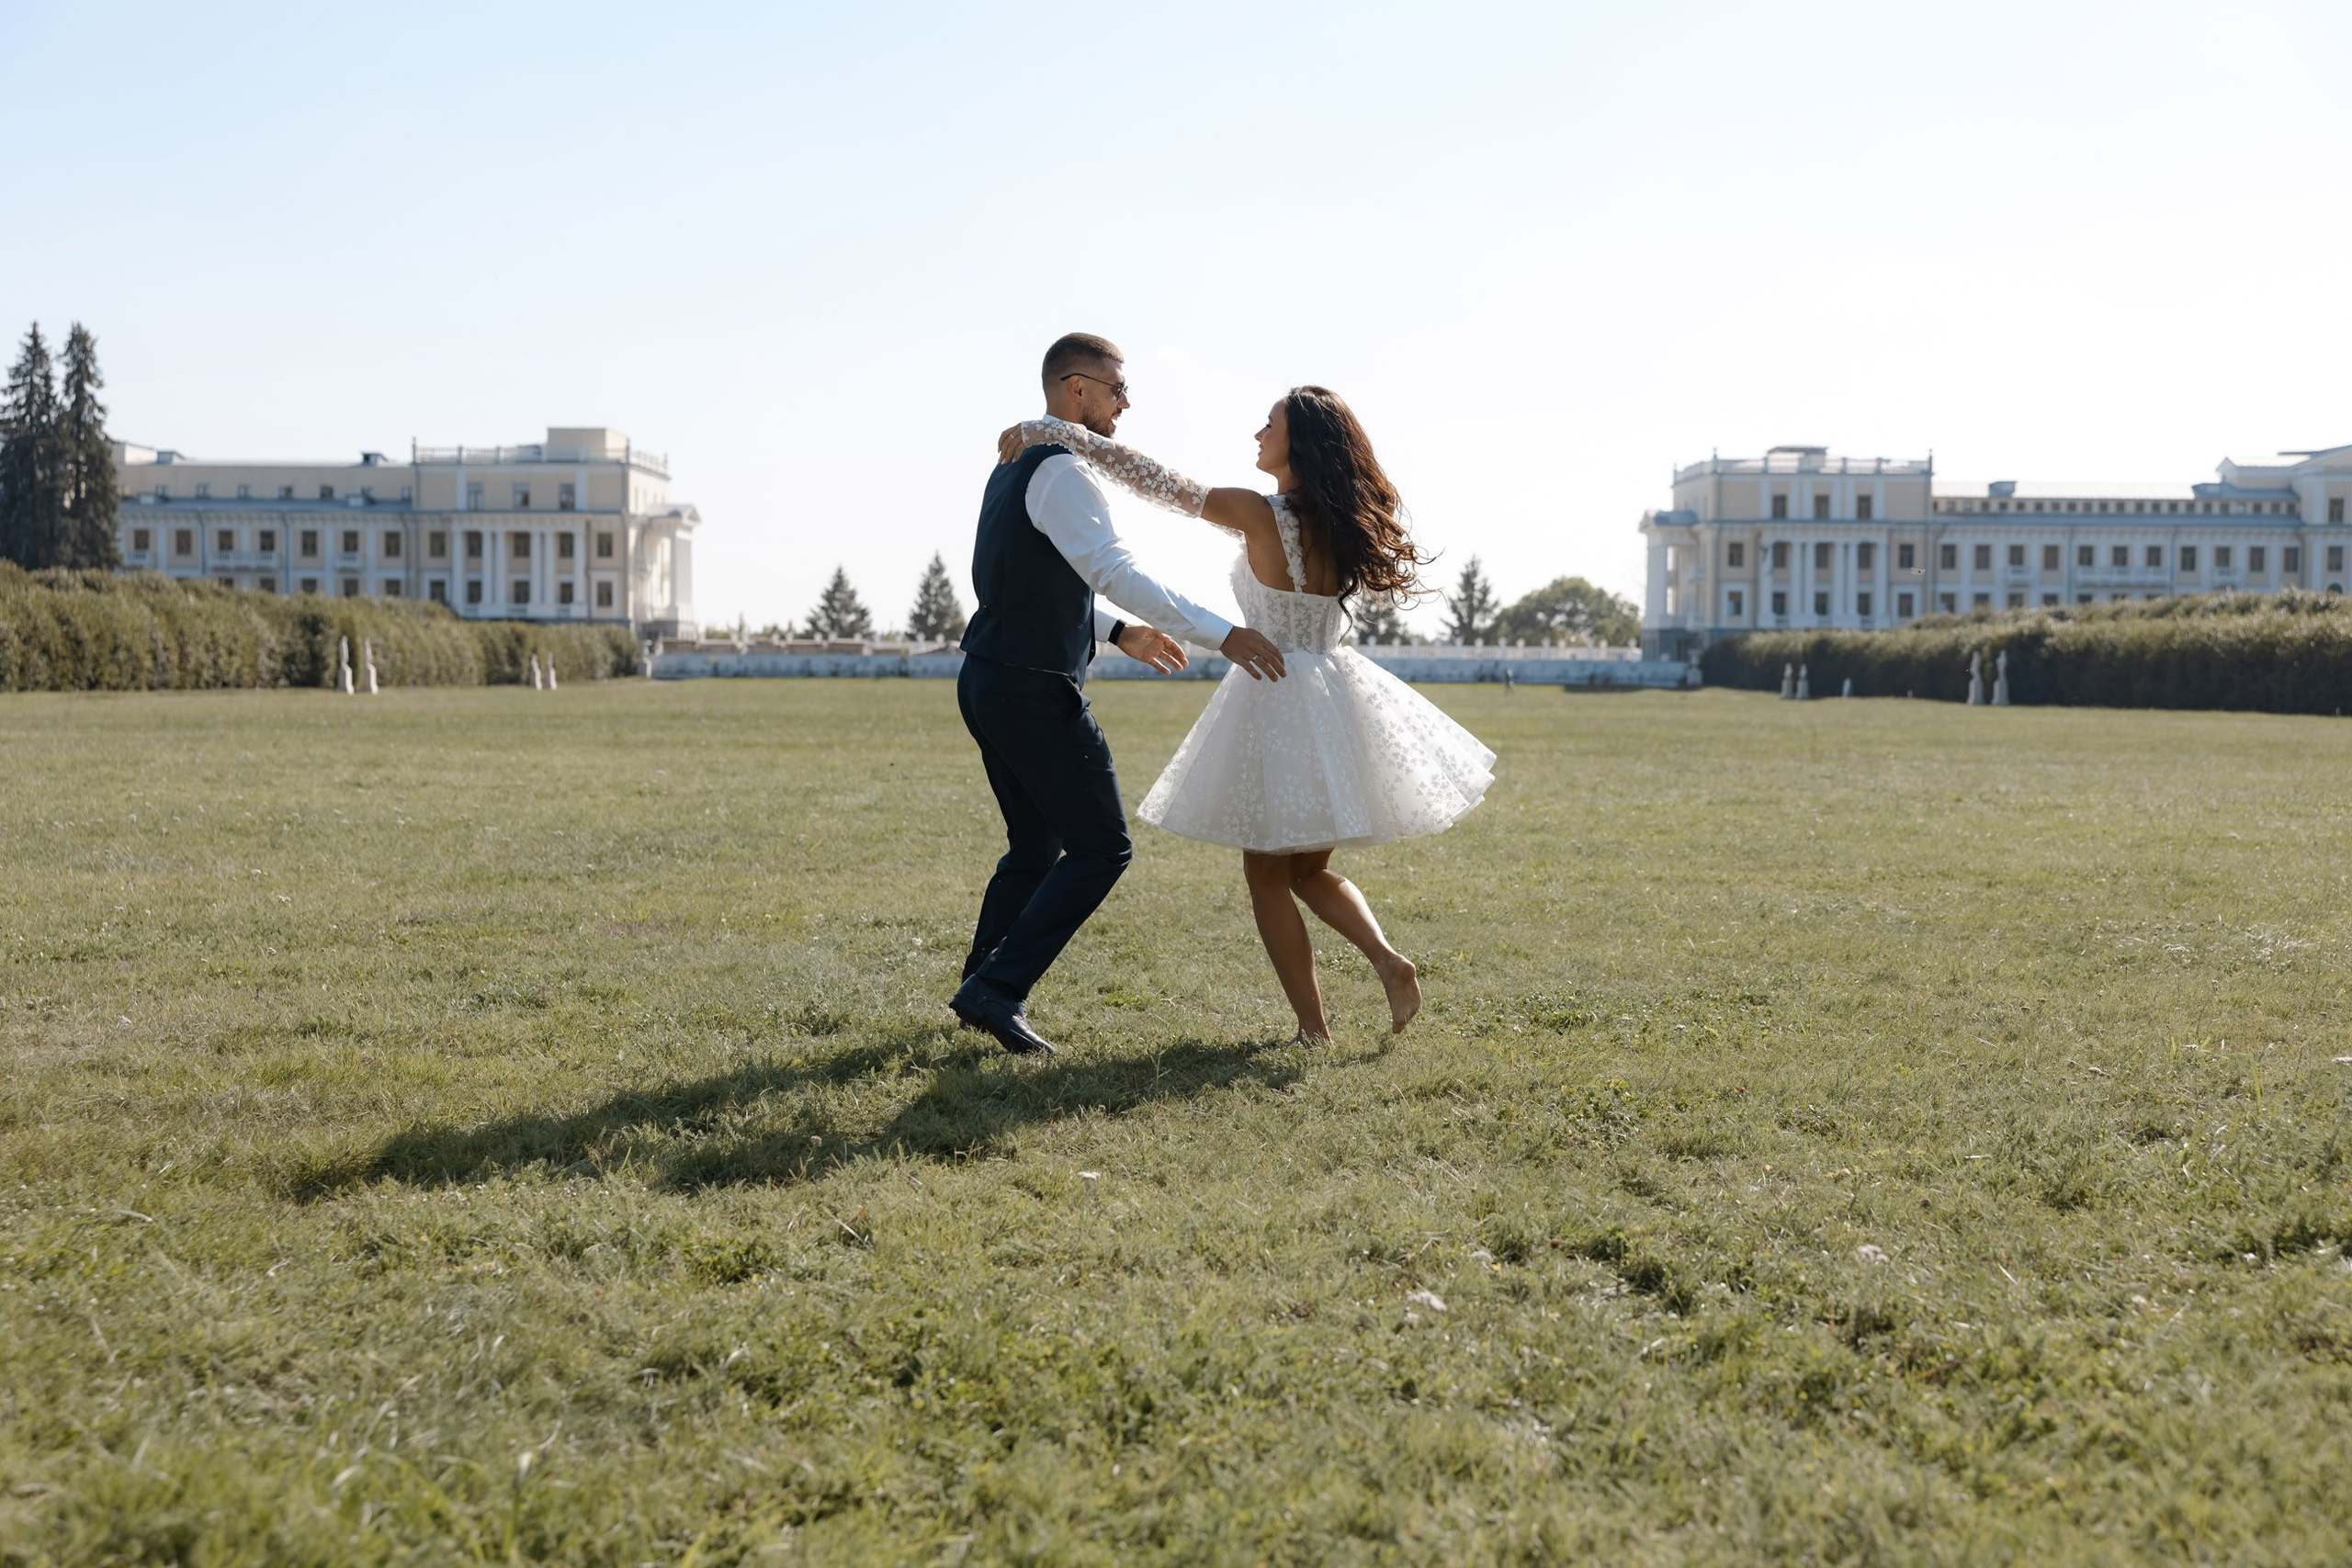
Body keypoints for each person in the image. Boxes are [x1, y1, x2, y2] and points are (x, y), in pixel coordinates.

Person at [999, 386, 1494, 1042]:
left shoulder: (1260, 512)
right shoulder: (1341, 524)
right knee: (1308, 870)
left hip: (1278, 691)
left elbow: (1161, 483)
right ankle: (1387, 960)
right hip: (1339, 695)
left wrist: (1058, 432)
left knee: (1266, 876)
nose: (1257, 433)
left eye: (1270, 425)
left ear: (1301, 444)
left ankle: (1314, 1028)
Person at [950, 333, 1290, 1057]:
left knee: (1035, 845)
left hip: (987, 677)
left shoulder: (1013, 466)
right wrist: (1219, 632)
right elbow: (1111, 567)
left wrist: (1116, 632)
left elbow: (1034, 579)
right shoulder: (1062, 471)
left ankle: (982, 981)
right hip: (1032, 689)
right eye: (1116, 388)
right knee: (1103, 846)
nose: (1125, 402)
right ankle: (997, 988)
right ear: (1076, 390)